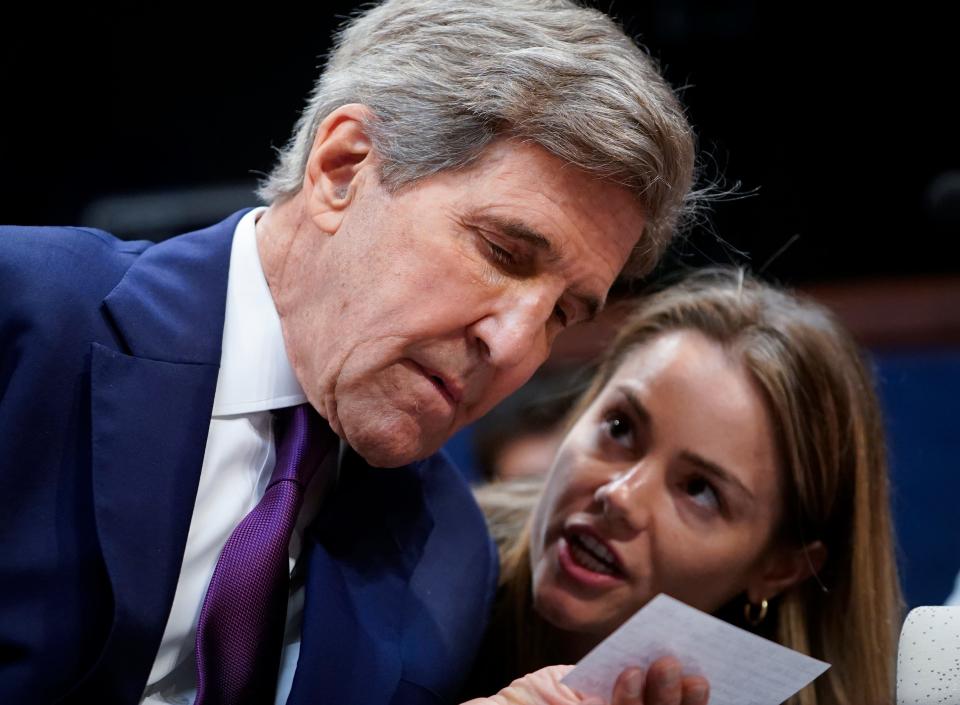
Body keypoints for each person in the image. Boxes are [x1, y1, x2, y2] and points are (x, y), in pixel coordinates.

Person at [0, 1, 701, 704]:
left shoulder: (449, 559)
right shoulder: (21, 315)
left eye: (562, 314)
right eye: (502, 252)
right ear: (342, 168)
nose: (515, 345)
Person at [469, 268, 904, 705]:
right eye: (619, 428)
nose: (621, 496)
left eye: (700, 490)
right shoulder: (418, 566)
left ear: (779, 568)